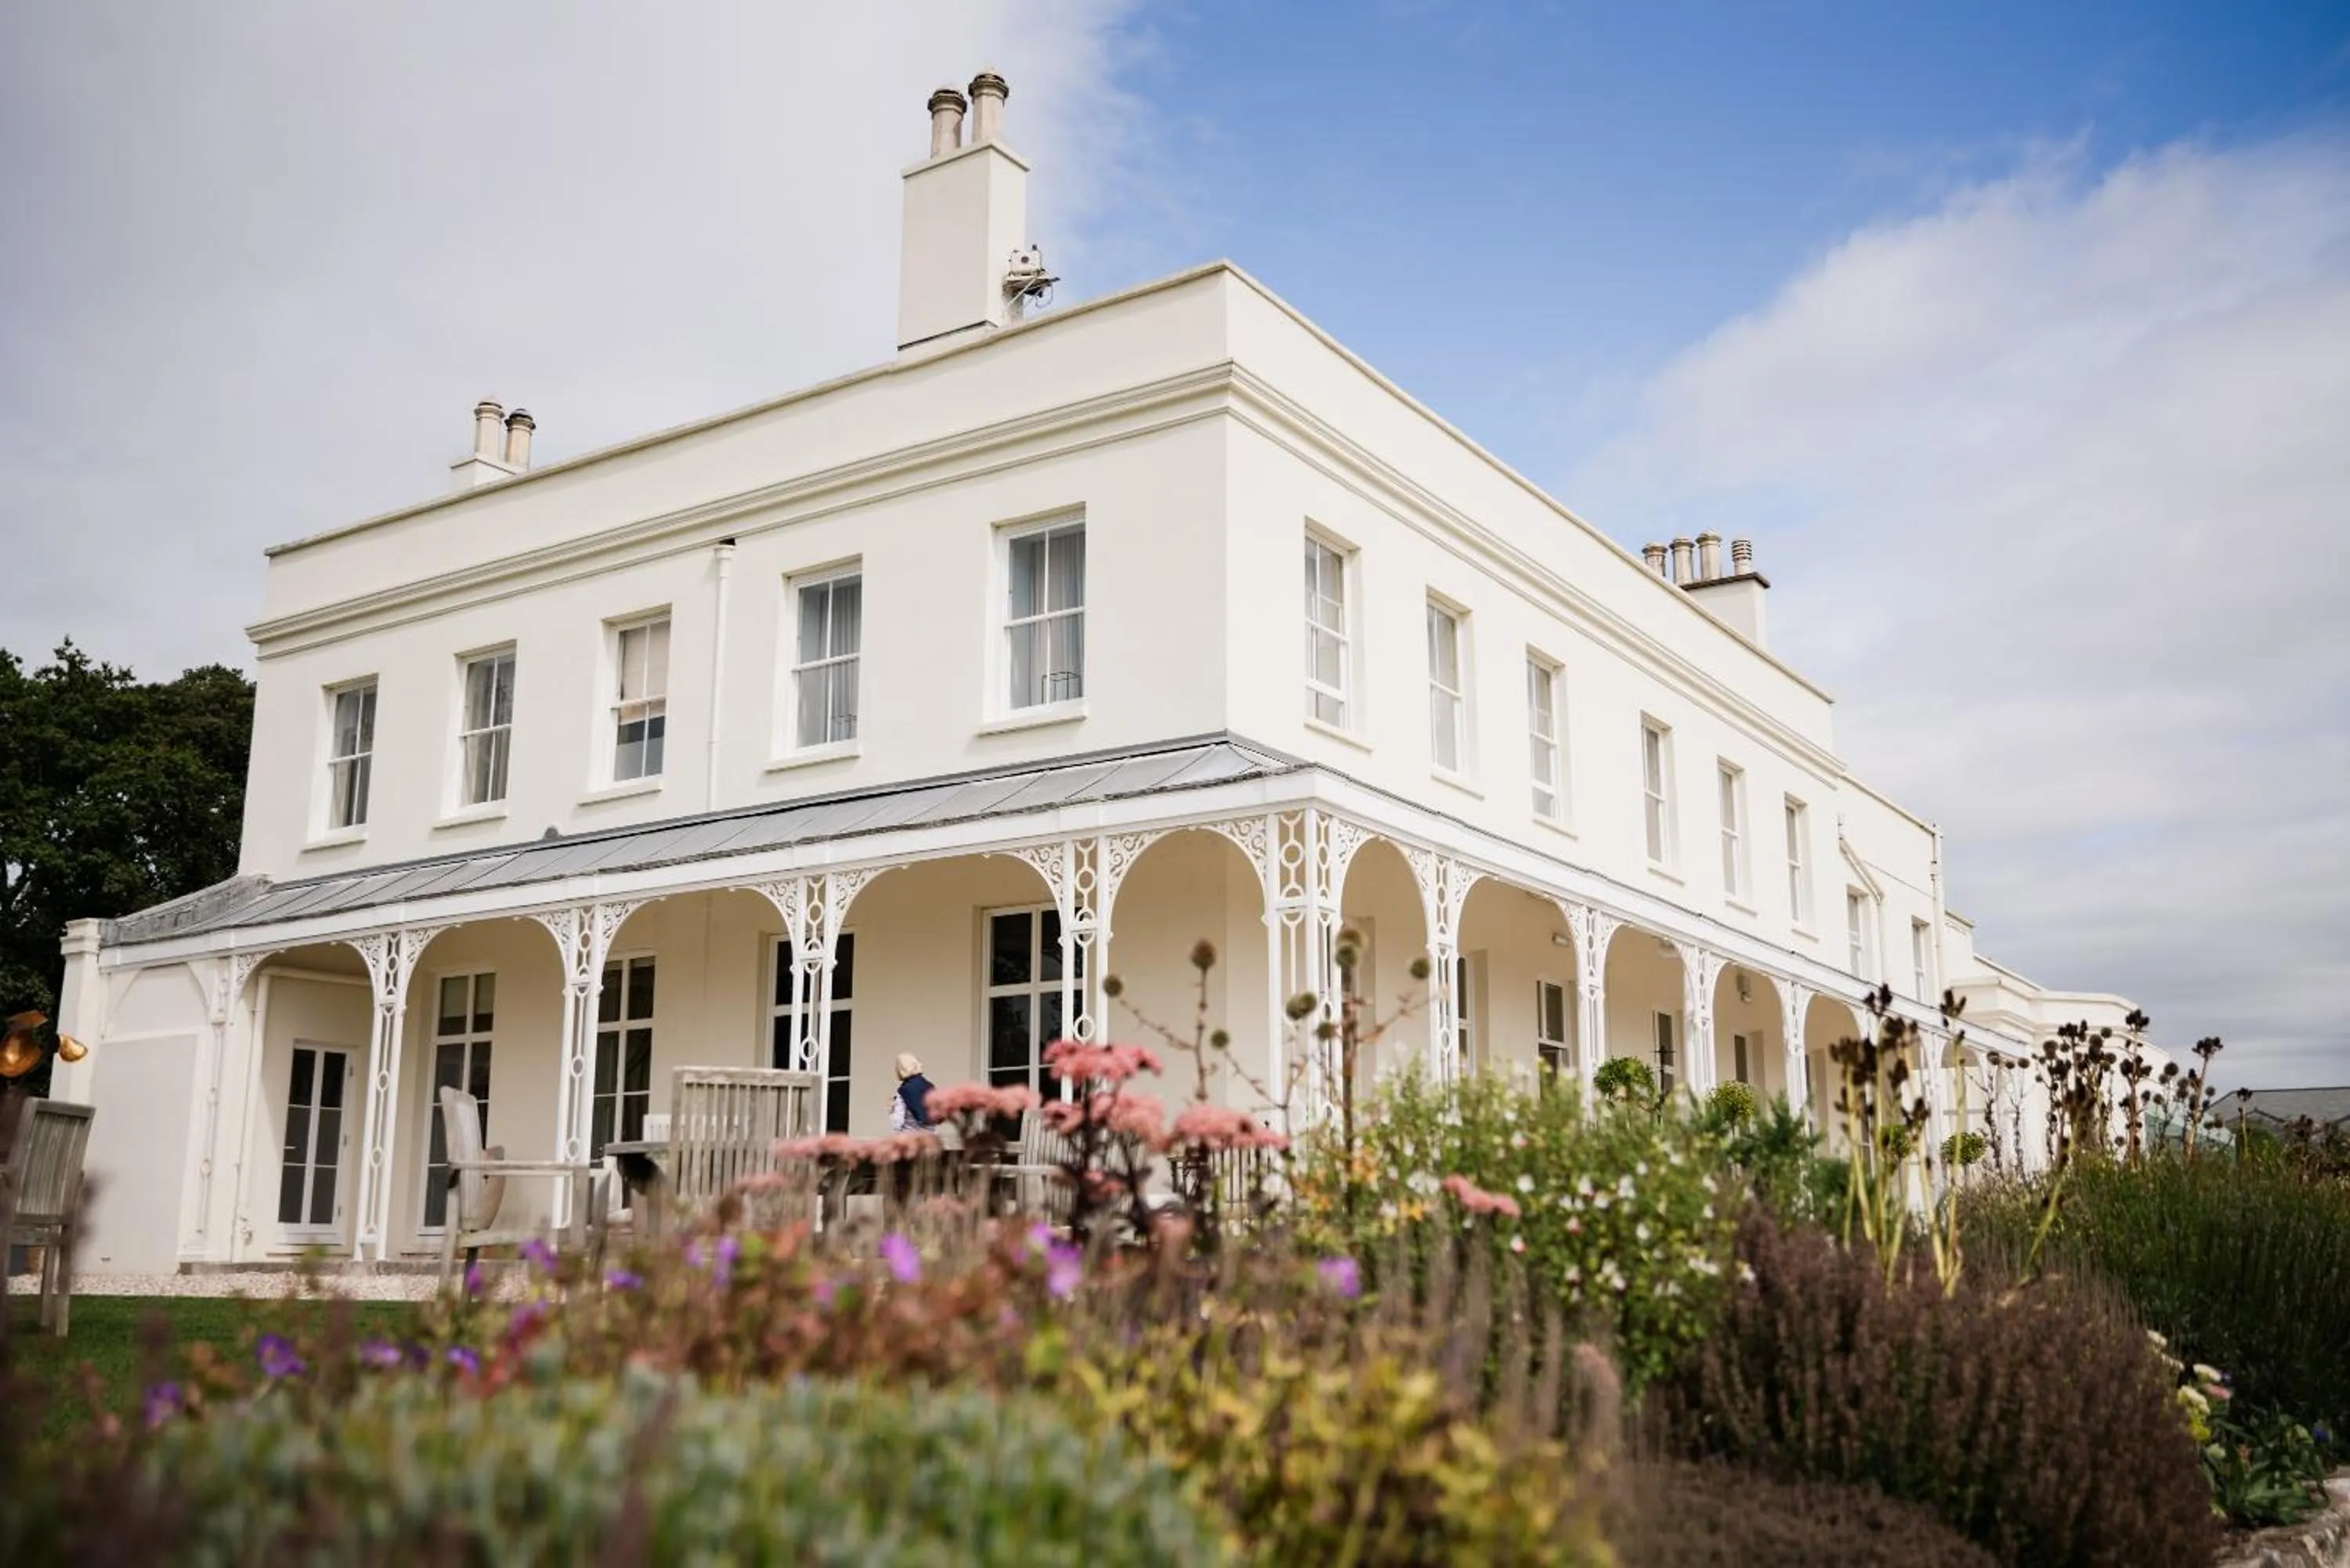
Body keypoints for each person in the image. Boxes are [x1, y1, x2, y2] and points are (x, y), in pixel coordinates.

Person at [888, 1053, 935, 1132]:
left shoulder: (903, 1091)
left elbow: (897, 1123)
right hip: (930, 1137)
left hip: (910, 1138)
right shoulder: (930, 1086)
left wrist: (892, 1110)